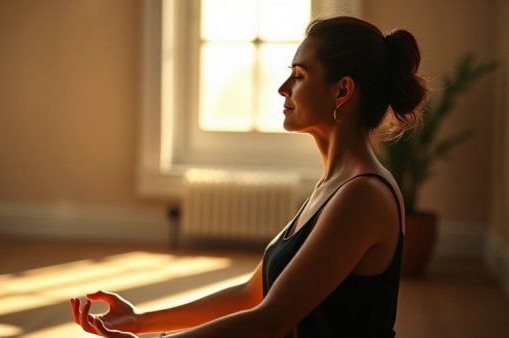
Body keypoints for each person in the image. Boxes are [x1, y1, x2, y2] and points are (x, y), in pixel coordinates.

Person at [70, 15, 428, 338]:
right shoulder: (334, 186)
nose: (283, 88)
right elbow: (253, 293)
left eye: (300, 76)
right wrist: (141, 321)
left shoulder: (362, 195)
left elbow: (269, 320)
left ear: (342, 91)